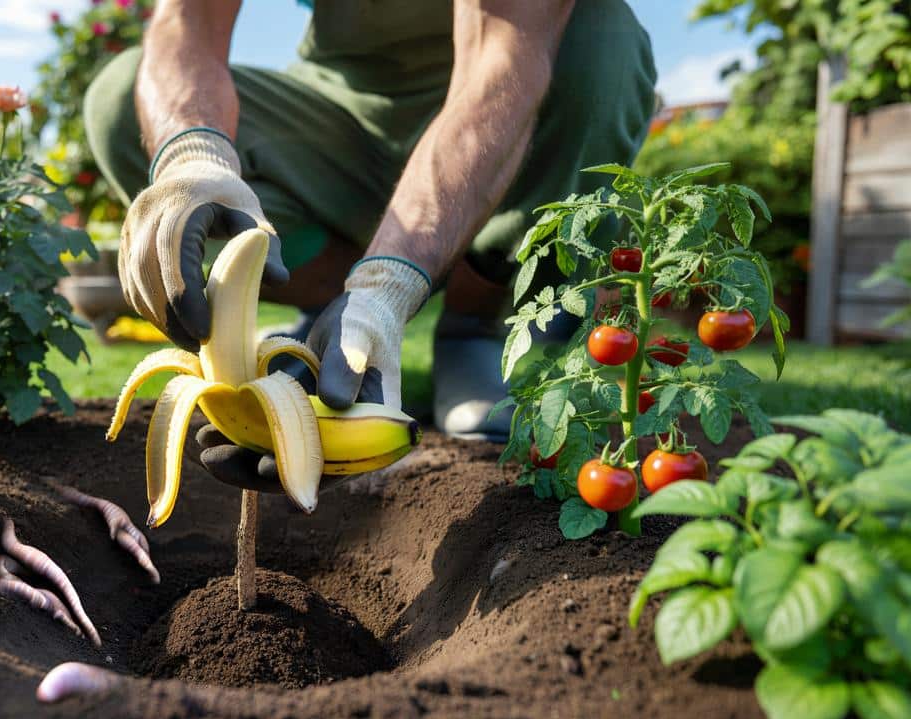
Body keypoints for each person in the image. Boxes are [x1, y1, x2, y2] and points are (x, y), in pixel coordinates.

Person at [84, 0, 655, 490]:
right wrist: (193, 155)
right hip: (338, 119)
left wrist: (389, 283)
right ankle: (337, 327)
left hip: (502, 107)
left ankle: (469, 327)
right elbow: (186, 23)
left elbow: (503, 59)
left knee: (607, 47)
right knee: (119, 101)